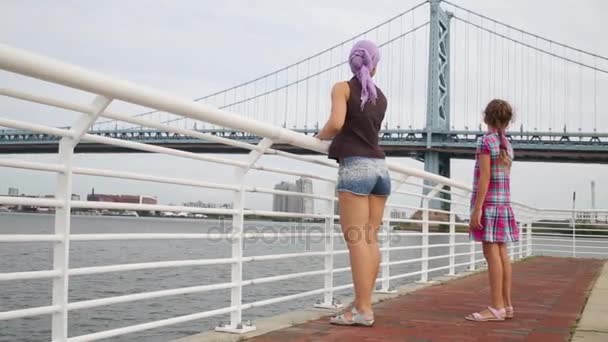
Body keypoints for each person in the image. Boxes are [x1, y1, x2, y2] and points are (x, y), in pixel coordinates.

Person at [315, 40, 389, 327]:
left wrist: (317, 138)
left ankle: (364, 310)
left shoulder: (342, 88)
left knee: (356, 240)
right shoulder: (380, 97)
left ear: (352, 63)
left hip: (356, 168)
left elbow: (336, 123)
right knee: (369, 239)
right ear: (374, 65)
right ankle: (360, 305)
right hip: (381, 170)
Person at [466, 99, 519, 322]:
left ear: (486, 117)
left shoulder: (485, 141)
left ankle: (496, 307)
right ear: (508, 121)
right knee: (502, 255)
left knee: (492, 256)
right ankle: (506, 305)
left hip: (489, 206)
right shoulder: (507, 144)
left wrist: (477, 210)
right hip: (504, 205)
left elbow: (485, 178)